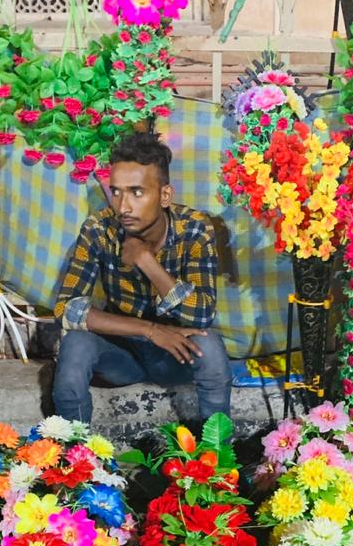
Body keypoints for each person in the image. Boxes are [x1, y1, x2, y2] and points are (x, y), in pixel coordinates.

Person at [51, 132, 232, 424]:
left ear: (164, 195)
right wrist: (149, 330)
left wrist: (147, 262)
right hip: (122, 354)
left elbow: (201, 316)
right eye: (117, 192)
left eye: (136, 192)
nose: (123, 207)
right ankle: (74, 457)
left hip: (175, 355)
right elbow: (66, 308)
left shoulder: (195, 229)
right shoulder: (100, 229)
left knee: (210, 346)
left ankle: (216, 454)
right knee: (75, 344)